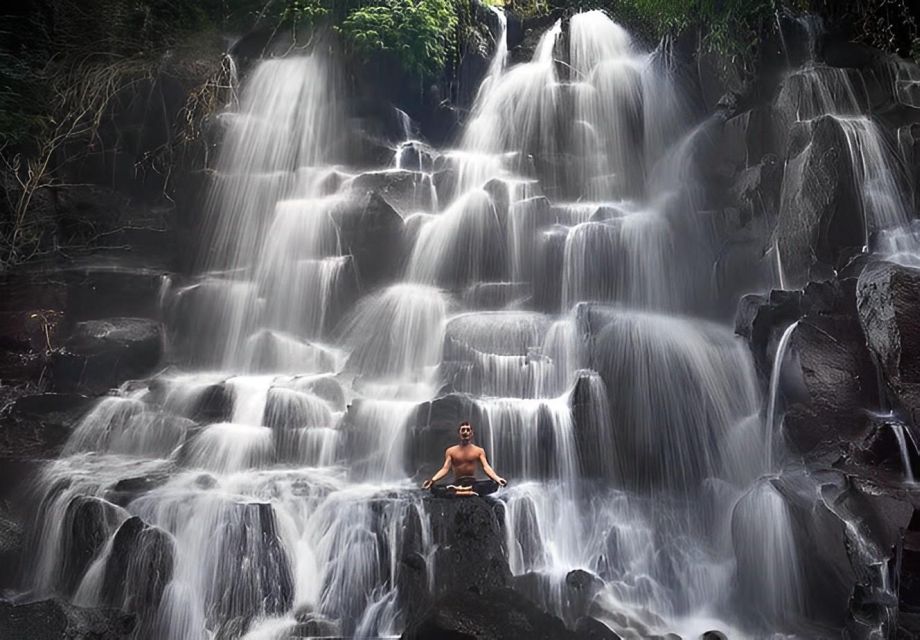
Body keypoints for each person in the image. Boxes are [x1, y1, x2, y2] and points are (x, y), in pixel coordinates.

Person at [422, 421, 507, 497]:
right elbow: (445, 469)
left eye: (468, 430)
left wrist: (497, 478)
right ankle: (467, 491)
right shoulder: (451, 451)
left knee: (494, 484)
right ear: (459, 433)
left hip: (472, 483)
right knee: (433, 488)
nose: (465, 432)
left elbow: (486, 467)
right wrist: (432, 480)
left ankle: (459, 492)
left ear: (471, 433)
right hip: (458, 482)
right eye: (463, 430)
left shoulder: (479, 451)